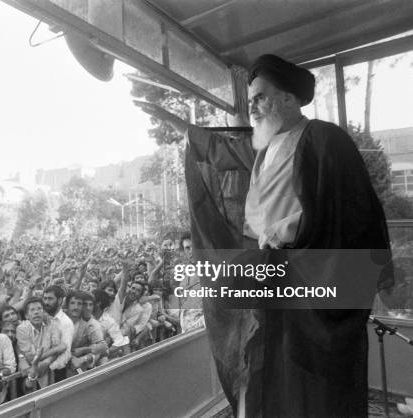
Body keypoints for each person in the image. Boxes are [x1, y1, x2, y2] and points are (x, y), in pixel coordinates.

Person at [138, 53, 393, 417]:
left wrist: (288, 230)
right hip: (271, 279)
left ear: (288, 98)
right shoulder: (264, 146)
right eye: (251, 99)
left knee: (311, 380)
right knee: (266, 369)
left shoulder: (324, 138)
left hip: (313, 283)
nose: (253, 106)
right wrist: (172, 120)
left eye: (260, 96)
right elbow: (218, 150)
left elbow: (353, 210)